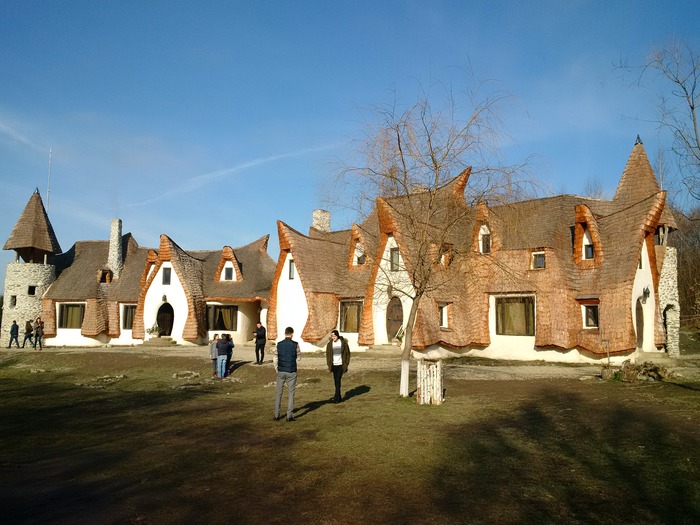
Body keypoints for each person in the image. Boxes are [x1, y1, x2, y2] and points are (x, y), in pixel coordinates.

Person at [272, 326, 301, 421]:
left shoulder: (279, 344)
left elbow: (275, 357)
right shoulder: (295, 344)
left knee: (278, 393)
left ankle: (276, 414)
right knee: (291, 394)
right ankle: (289, 415)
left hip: (281, 370)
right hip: (291, 371)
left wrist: (277, 368)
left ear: (285, 334)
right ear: (292, 334)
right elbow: (299, 358)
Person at [326, 330, 350, 403]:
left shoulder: (343, 343)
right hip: (334, 365)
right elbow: (328, 355)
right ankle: (339, 397)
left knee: (338, 380)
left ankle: (336, 397)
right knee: (336, 381)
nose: (333, 337)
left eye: (335, 336)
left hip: (340, 365)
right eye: (332, 336)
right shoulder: (330, 344)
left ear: (337, 336)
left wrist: (346, 363)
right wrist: (329, 363)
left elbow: (347, 353)